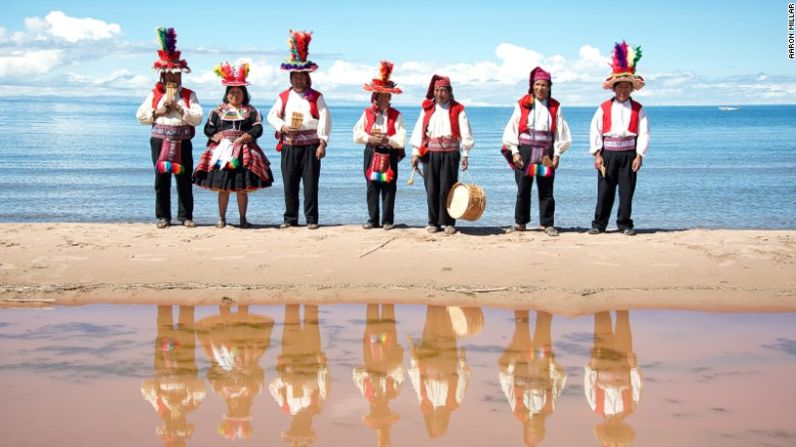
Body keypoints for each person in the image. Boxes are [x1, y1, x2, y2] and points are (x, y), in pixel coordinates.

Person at [136, 27, 203, 229]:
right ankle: (163, 216)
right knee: (161, 180)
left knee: (183, 179)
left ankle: (185, 216)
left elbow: (197, 118)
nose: (174, 78)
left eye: (177, 75)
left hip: (182, 140)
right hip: (160, 140)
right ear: (163, 77)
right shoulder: (154, 94)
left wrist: (179, 109)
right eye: (170, 75)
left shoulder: (189, 95)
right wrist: (158, 111)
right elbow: (140, 116)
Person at [193, 63, 273, 228]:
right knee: (223, 188)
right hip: (222, 152)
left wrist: (247, 136)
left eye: (238, 92)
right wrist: (217, 136)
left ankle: (243, 218)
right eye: (232, 92)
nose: (235, 95)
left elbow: (257, 127)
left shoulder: (251, 111)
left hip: (244, 151)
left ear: (244, 94)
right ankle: (221, 219)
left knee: (242, 188)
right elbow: (208, 128)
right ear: (227, 94)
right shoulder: (218, 111)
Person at [267, 30, 332, 230]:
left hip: (311, 146)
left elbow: (325, 120)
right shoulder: (283, 97)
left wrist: (323, 143)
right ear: (291, 78)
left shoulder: (316, 97)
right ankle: (290, 219)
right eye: (295, 77)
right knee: (290, 183)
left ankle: (312, 220)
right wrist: (283, 127)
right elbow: (271, 116)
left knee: (311, 185)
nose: (298, 80)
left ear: (307, 78)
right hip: (290, 145)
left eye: (302, 77)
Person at [589, 41, 650, 236]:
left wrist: (639, 155)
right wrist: (597, 154)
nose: (623, 90)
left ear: (631, 89)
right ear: (614, 88)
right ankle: (599, 224)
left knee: (626, 192)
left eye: (627, 87)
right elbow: (595, 131)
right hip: (608, 154)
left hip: (628, 154)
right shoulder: (603, 108)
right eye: (620, 87)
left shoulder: (639, 109)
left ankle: (624, 224)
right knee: (604, 191)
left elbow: (644, 133)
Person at [501, 67, 572, 237]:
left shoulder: (555, 106)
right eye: (537, 84)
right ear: (532, 86)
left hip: (545, 154)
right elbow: (512, 128)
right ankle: (520, 223)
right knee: (523, 188)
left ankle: (547, 224)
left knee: (546, 189)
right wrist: (514, 151)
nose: (540, 88)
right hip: (525, 152)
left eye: (544, 85)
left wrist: (557, 154)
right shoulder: (522, 104)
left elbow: (559, 133)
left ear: (549, 87)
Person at [196, 305, 274, 440]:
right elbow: (259, 373)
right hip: (245, 358)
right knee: (246, 353)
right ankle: (241, 310)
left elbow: (211, 375)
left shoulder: (222, 392)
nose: (236, 406)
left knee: (215, 352)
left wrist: (222, 369)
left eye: (234, 411)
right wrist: (247, 369)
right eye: (240, 411)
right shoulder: (253, 391)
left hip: (225, 360)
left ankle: (226, 310)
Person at [409, 75, 475, 235]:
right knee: (431, 189)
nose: (439, 94)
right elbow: (419, 131)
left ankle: (448, 222)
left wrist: (465, 153)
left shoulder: (458, 109)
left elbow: (465, 133)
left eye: (443, 90)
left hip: (450, 153)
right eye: (437, 90)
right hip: (430, 153)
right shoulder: (427, 109)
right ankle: (433, 222)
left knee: (447, 188)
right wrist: (415, 153)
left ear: (449, 92)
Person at [498, 310, 566, 446]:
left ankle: (521, 301)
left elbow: (506, 381)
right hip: (542, 363)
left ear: (525, 429)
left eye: (530, 432)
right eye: (536, 431)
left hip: (522, 360)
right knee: (544, 325)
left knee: (521, 326)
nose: (533, 428)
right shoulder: (549, 407)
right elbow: (560, 379)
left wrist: (511, 362)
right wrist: (551, 362)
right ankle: (545, 303)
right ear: (542, 429)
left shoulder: (517, 408)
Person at [353, 61, 407, 231]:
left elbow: (402, 137)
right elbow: (356, 134)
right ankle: (373, 219)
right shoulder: (367, 113)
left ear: (390, 97)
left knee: (389, 186)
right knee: (372, 186)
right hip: (371, 152)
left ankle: (388, 220)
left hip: (389, 153)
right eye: (380, 96)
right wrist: (370, 138)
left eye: (386, 96)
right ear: (375, 97)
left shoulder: (397, 115)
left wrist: (387, 140)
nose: (383, 98)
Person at [584, 311, 643, 447]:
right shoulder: (630, 408)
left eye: (611, 429)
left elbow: (589, 385)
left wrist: (591, 365)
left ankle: (600, 295)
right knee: (623, 319)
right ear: (622, 427)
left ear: (605, 427)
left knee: (601, 320)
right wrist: (634, 366)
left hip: (602, 361)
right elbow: (637, 386)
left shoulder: (596, 407)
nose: (614, 425)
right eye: (617, 429)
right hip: (623, 362)